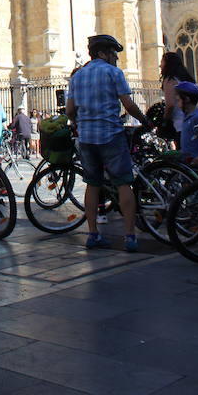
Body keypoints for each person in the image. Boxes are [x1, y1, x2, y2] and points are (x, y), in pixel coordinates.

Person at [66, 34, 151, 253]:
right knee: (123, 183)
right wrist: (144, 121)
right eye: (113, 53)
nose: (116, 58)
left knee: (92, 184)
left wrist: (81, 122)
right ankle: (130, 236)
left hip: (86, 138)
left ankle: (93, 234)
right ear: (103, 53)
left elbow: (69, 111)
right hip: (110, 135)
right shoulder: (114, 73)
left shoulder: (77, 77)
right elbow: (129, 105)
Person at [160, 51, 195, 148]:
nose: (160, 65)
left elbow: (170, 105)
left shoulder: (170, 80)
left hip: (179, 124)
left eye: (162, 62)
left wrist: (164, 121)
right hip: (192, 121)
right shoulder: (185, 78)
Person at [175, 81, 198, 161]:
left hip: (196, 164)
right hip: (187, 162)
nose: (176, 103)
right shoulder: (187, 117)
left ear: (187, 99)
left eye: (178, 100)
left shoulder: (196, 118)